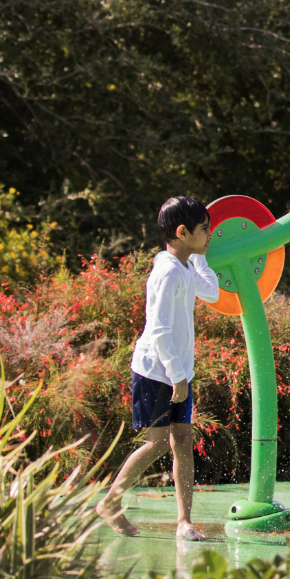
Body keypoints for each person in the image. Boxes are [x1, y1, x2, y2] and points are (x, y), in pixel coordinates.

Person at [99, 195, 221, 541]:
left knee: (182, 441)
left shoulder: (184, 265)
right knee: (158, 444)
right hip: (157, 371)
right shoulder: (166, 272)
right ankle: (110, 502)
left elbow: (210, 293)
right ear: (183, 232)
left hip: (180, 370)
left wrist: (201, 259)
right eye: (204, 230)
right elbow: (158, 330)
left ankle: (184, 522)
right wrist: (176, 376)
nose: (210, 234)